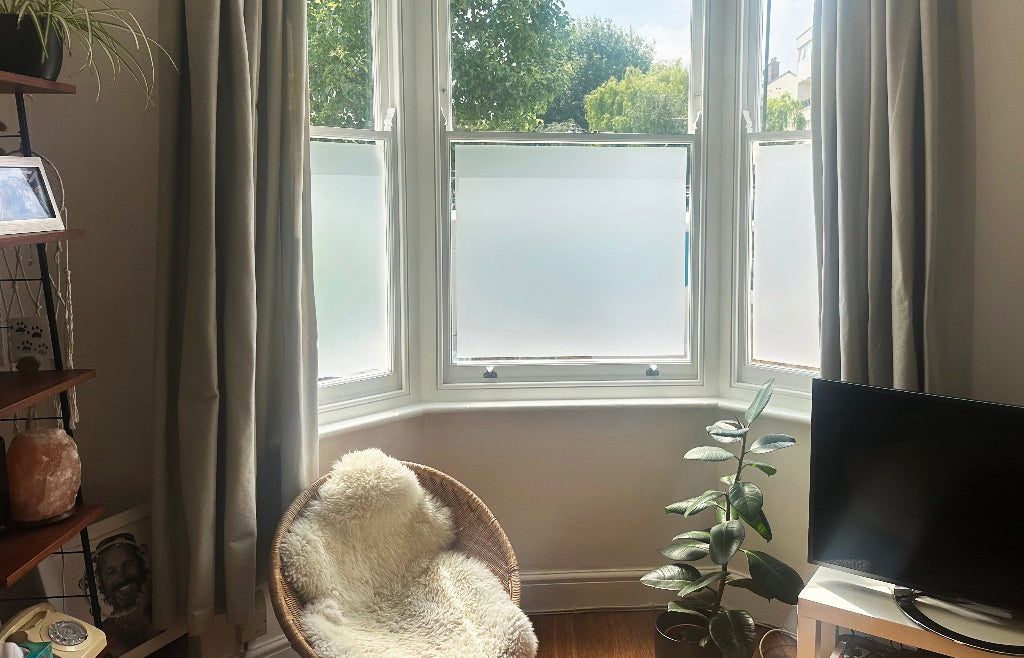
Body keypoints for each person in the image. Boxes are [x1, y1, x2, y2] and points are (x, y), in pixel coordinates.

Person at [92, 533, 158, 656]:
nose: (122, 578)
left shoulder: (166, 611)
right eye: (112, 572)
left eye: (128, 565)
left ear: (141, 565)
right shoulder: (101, 634)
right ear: (102, 580)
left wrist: (145, 615)